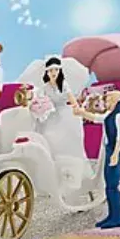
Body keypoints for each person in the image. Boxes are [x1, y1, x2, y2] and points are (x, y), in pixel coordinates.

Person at [30, 57, 90, 188]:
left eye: (56, 70)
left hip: (64, 113)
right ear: (47, 72)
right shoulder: (44, 87)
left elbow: (71, 98)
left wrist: (77, 108)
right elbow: (39, 99)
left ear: (59, 71)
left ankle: (71, 170)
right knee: (48, 136)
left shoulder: (64, 84)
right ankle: (50, 171)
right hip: (50, 114)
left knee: (70, 136)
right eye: (51, 70)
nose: (53, 73)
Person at [74, 90, 120, 229]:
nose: (106, 103)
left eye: (108, 100)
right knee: (108, 185)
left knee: (112, 185)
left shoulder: (119, 115)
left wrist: (115, 154)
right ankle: (112, 215)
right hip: (109, 149)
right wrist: (81, 113)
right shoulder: (110, 113)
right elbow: (98, 118)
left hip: (113, 150)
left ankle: (118, 217)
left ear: (115, 101)